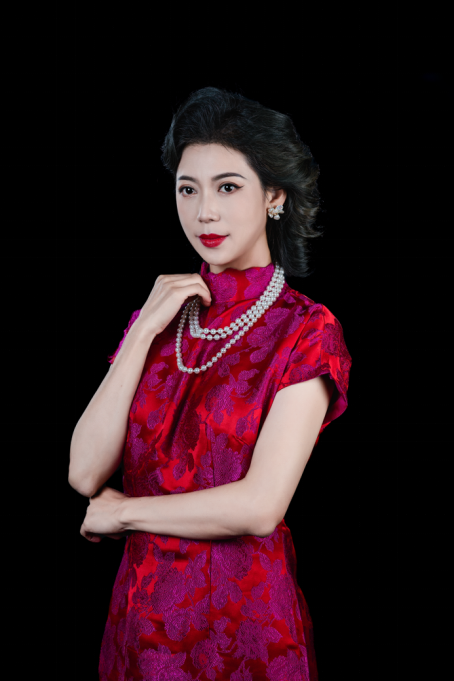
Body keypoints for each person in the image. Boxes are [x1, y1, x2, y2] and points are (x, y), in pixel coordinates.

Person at [69, 87, 352, 681]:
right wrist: (143, 330)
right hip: (138, 623)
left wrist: (123, 514)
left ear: (274, 195)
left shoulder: (307, 330)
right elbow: (85, 473)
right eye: (187, 189)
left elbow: (259, 506)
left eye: (227, 187)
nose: (204, 213)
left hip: (244, 623)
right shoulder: (161, 317)